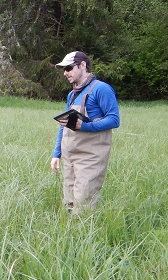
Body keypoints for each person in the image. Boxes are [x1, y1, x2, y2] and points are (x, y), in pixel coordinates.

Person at [50, 51, 120, 214]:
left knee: (83, 205)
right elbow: (64, 125)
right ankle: (67, 236)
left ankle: (83, 235)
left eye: (68, 68)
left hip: (90, 157)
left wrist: (85, 126)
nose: (65, 73)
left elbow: (114, 119)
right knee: (68, 202)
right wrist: (56, 153)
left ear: (82, 65)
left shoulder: (101, 89)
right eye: (64, 69)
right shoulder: (71, 94)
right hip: (69, 156)